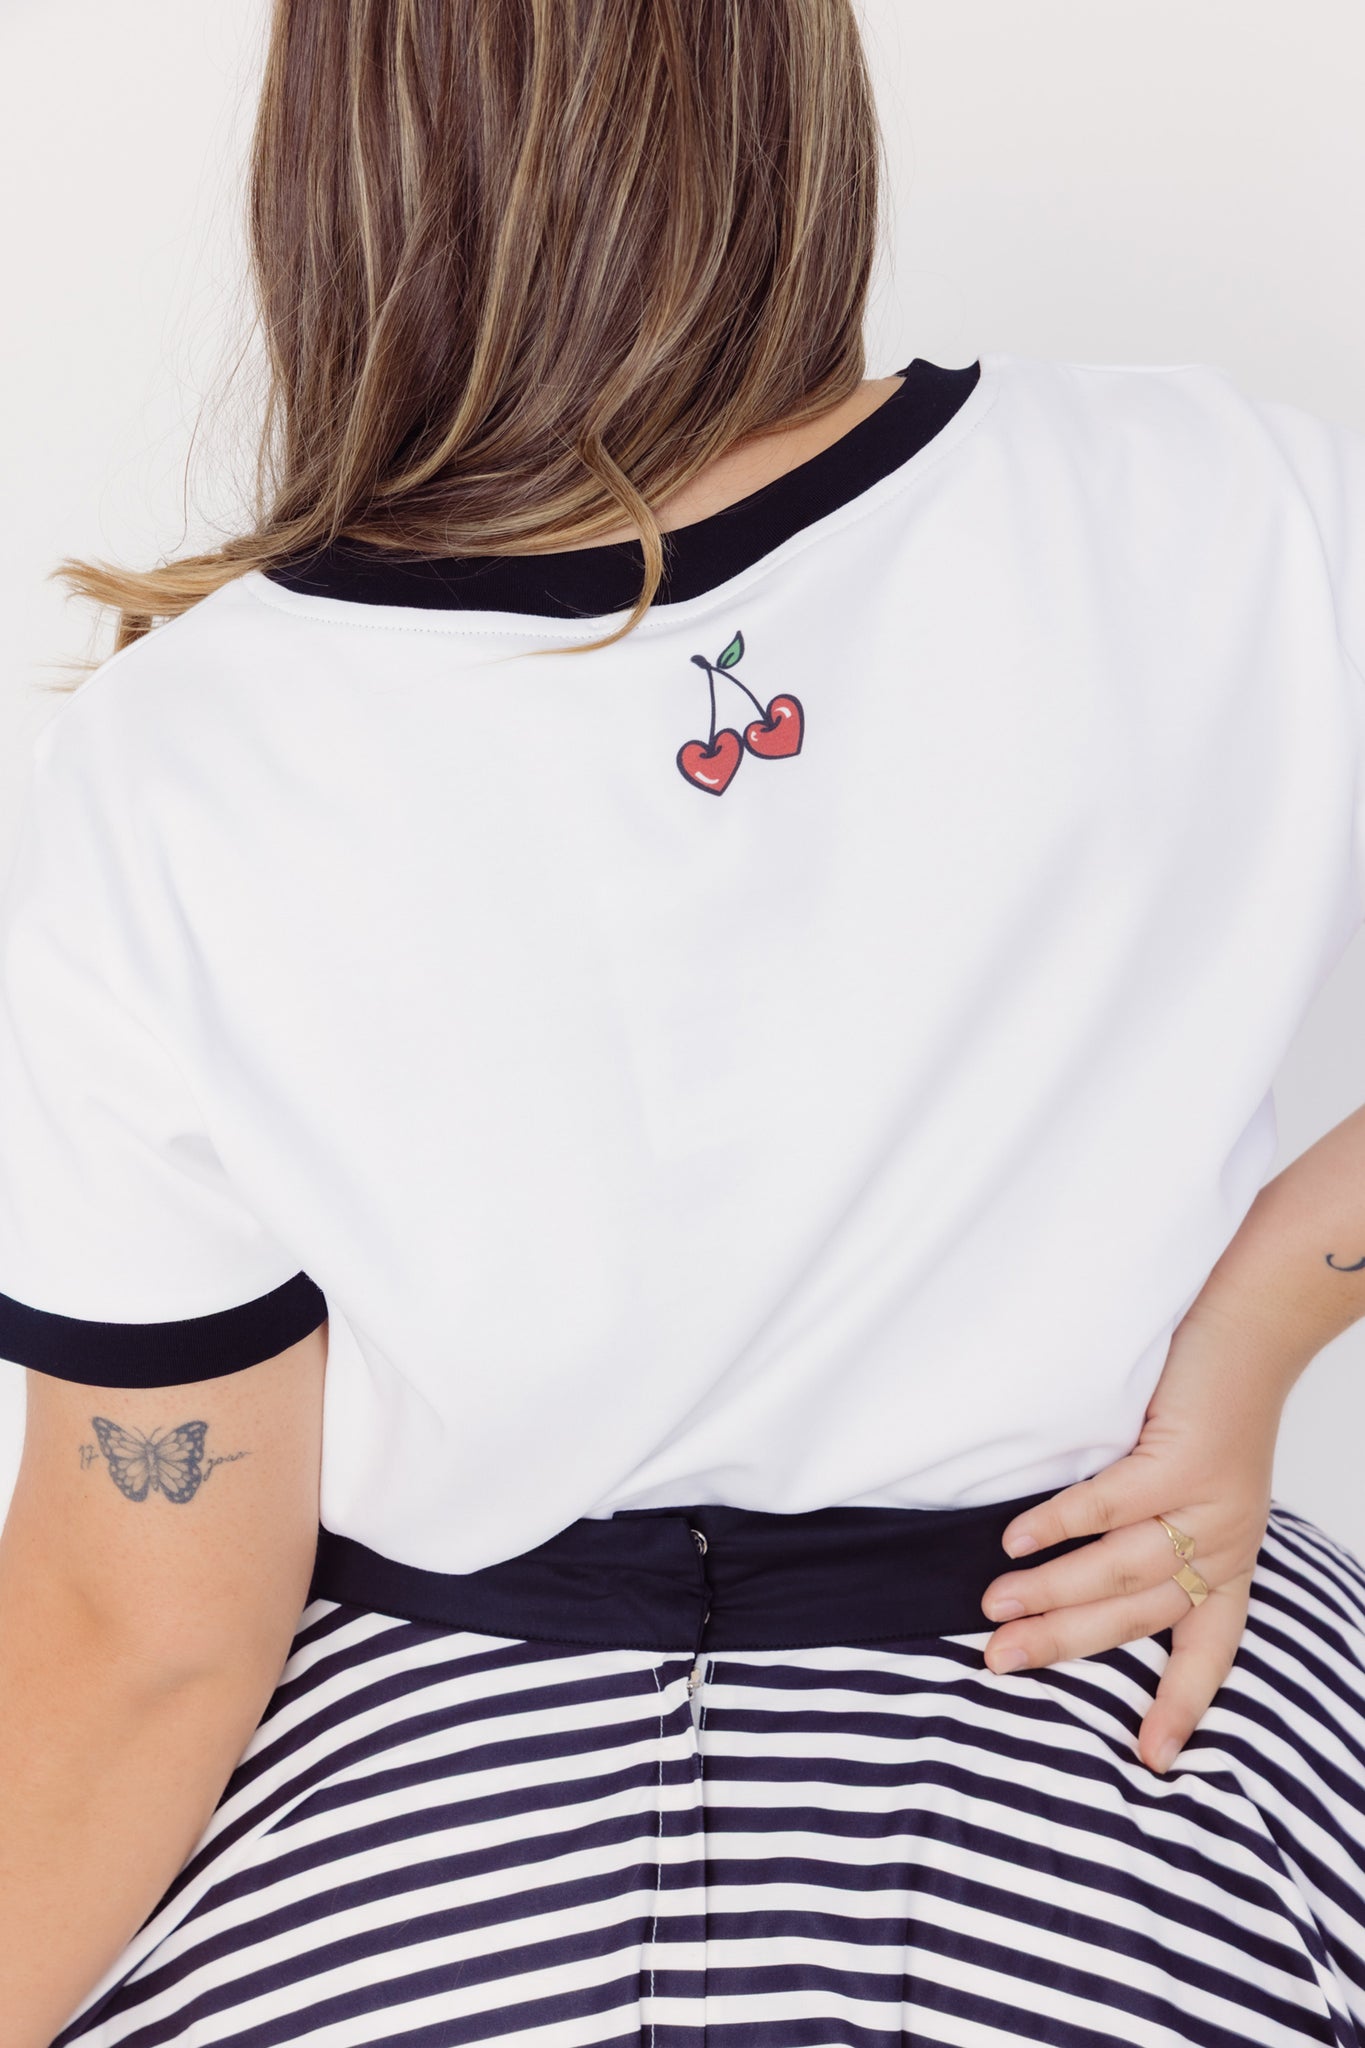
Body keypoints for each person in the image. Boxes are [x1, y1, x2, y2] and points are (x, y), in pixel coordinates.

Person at [2, 1, 1365, 2041]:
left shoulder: (169, 776)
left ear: (350, 137)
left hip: (395, 1860)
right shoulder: (1232, 509)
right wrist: (1262, 1318)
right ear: (783, 77)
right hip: (1140, 1783)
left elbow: (154, 1630)